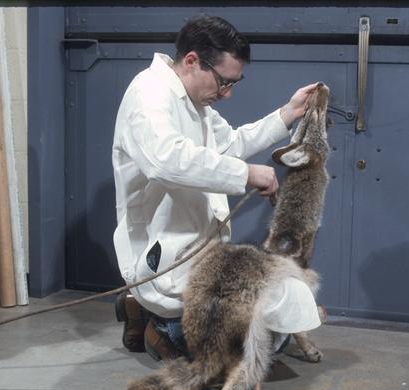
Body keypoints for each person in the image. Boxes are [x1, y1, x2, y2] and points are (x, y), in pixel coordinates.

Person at [112, 15, 322, 360]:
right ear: (192, 60)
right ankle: (157, 324)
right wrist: (246, 174)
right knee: (230, 349)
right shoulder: (148, 96)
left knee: (274, 327)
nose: (227, 94)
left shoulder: (196, 102)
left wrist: (288, 113)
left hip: (199, 254)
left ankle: (140, 307)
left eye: (233, 83)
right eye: (224, 82)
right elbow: (166, 160)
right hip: (164, 256)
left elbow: (230, 145)